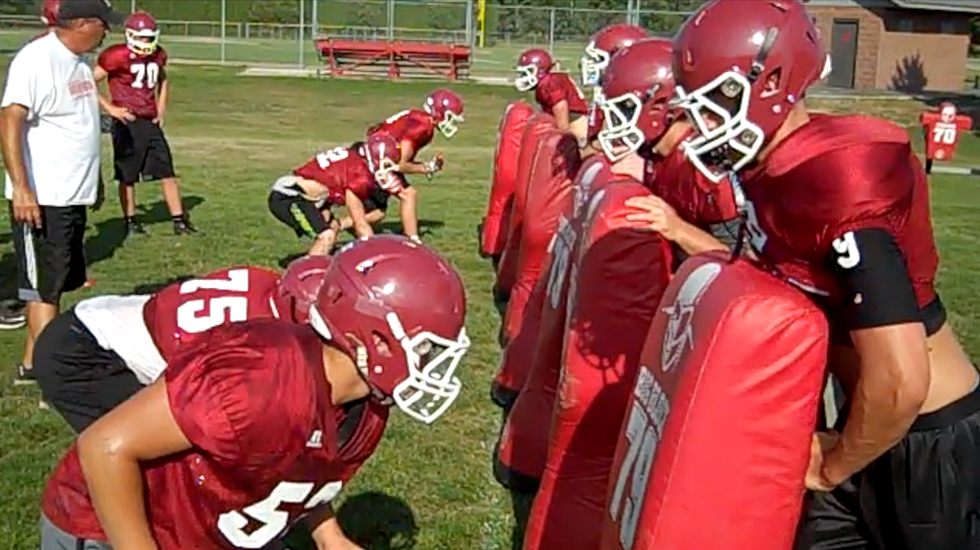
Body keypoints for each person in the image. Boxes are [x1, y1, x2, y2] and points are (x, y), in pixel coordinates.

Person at [663, 1, 980, 548]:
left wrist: (833, 465)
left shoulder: (839, 181)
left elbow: (902, 379)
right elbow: (774, 274)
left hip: (925, 440)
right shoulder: (773, 167)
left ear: (774, 85)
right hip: (866, 424)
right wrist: (678, 229)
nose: (700, 126)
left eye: (716, 103)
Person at [38, 235, 471, 550]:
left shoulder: (366, 407)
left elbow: (301, 473)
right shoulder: (259, 379)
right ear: (374, 341)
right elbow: (105, 446)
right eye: (427, 347)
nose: (434, 363)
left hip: (205, 522)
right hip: (110, 528)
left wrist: (330, 535)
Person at [33, 255, 331, 433]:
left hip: (101, 317)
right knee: (152, 462)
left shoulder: (266, 281)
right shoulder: (257, 341)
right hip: (84, 353)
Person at [0, 0, 123, 385]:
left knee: (54, 286)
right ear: (83, 23)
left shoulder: (79, 62)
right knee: (42, 291)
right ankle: (49, 376)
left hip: (72, 195)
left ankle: (32, 364)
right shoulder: (38, 59)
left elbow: (81, 123)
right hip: (44, 199)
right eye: (103, 24)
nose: (108, 32)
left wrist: (95, 180)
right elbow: (10, 118)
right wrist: (22, 188)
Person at [95, 11, 196, 237]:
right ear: (130, 35)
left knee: (167, 172)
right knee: (127, 176)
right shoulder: (116, 55)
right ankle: (130, 222)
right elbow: (88, 82)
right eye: (141, 37)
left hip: (149, 121)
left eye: (149, 37)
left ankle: (179, 221)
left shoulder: (158, 55)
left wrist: (161, 109)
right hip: (126, 121)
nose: (146, 42)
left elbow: (163, 79)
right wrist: (110, 108)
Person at [356, 89, 465, 239]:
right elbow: (400, 163)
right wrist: (427, 167)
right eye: (450, 117)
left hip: (373, 152)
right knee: (408, 195)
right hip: (378, 158)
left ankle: (341, 225)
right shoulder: (424, 127)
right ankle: (413, 240)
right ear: (439, 112)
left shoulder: (417, 117)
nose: (451, 122)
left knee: (376, 213)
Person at [268, 134, 402, 256]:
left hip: (305, 195)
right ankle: (308, 276)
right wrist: (377, 255)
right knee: (327, 235)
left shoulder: (356, 160)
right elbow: (360, 224)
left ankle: (324, 266)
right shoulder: (358, 174)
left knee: (332, 226)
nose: (389, 170)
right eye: (387, 164)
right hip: (289, 196)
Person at [578, 24, 648, 158]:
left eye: (598, 59)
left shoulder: (632, 101)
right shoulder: (605, 94)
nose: (591, 65)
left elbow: (608, 147)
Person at [514, 49, 589, 146]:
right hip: (574, 122)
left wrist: (562, 135)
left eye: (528, 72)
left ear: (540, 69)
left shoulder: (549, 83)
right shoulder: (549, 81)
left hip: (575, 126)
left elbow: (561, 107)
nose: (524, 77)